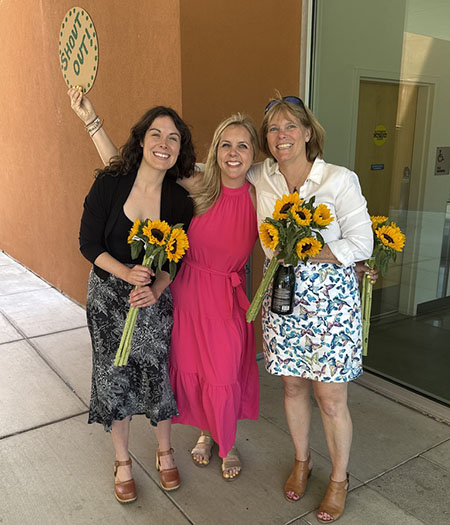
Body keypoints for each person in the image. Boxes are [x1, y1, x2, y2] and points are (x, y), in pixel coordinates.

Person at [68, 89, 259, 481]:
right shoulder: (173, 184)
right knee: (141, 374)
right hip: (140, 294)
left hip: (187, 294)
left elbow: (178, 253)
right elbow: (127, 178)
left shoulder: (242, 192)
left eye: (173, 138)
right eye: (225, 144)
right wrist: (92, 122)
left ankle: (200, 443)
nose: (234, 152)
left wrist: (353, 263)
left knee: (189, 374)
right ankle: (134, 459)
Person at [247, 94, 373, 523]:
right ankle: (303, 461)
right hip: (282, 300)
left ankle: (339, 479)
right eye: (273, 129)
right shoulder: (262, 177)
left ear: (306, 133)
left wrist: (304, 248)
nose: (281, 136)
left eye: (289, 127)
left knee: (331, 398)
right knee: (293, 388)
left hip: (331, 306)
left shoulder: (338, 179)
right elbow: (215, 171)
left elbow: (362, 243)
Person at [78, 98, 195, 504]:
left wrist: (158, 286)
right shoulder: (111, 183)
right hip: (109, 300)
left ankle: (165, 451)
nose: (164, 143)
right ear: (142, 140)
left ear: (180, 150)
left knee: (157, 377)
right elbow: (88, 243)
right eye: (156, 134)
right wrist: (126, 272)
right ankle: (123, 460)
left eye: (174, 138)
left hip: (152, 302)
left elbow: (175, 257)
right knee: (115, 380)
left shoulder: (179, 201)